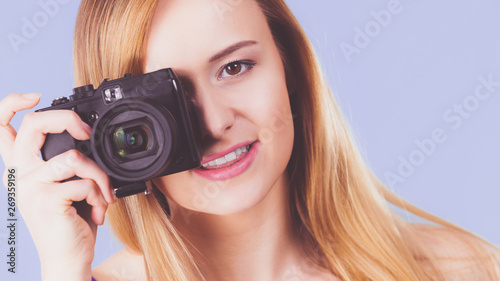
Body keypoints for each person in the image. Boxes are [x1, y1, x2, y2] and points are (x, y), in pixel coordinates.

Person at [1, 0, 499, 280]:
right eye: (167, 97)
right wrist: (64, 270)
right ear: (109, 128)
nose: (215, 122)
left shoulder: (460, 270)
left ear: (292, 71)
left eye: (234, 67)